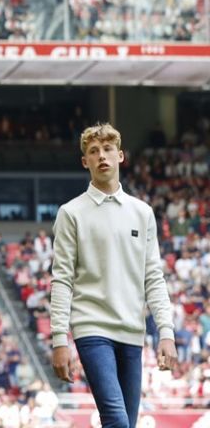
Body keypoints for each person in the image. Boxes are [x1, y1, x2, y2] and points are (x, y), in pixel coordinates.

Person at [50, 123, 178, 428]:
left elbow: (153, 277)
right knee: (117, 422)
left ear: (121, 156)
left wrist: (167, 332)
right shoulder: (71, 213)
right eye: (94, 152)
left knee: (128, 425)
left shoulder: (142, 212)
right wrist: (59, 339)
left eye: (108, 150)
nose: (102, 156)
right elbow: (62, 278)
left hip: (132, 330)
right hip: (91, 328)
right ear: (86, 162)